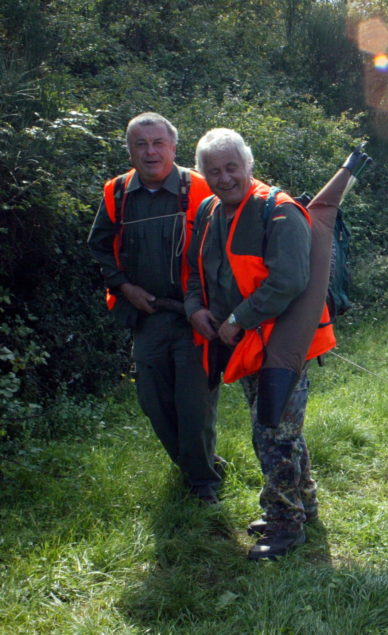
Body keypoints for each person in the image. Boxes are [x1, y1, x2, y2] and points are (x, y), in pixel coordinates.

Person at [185, 128, 340, 560]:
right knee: (283, 431)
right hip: (240, 344)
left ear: (248, 165)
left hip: (282, 343)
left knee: (272, 432)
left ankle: (284, 525)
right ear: (202, 175)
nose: (224, 177)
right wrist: (195, 308)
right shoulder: (208, 211)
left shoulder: (279, 211)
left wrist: (238, 318)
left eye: (232, 167)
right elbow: (196, 269)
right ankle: (301, 506)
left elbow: (290, 280)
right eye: (213, 171)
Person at [88, 112, 223, 504]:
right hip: (145, 318)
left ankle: (203, 484)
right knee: (153, 402)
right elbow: (98, 248)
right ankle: (199, 465)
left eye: (158, 143)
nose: (150, 152)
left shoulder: (201, 189)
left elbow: (227, 250)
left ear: (173, 147)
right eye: (140, 144)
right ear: (129, 149)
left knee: (195, 405)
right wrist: (125, 287)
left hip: (195, 318)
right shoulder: (116, 193)